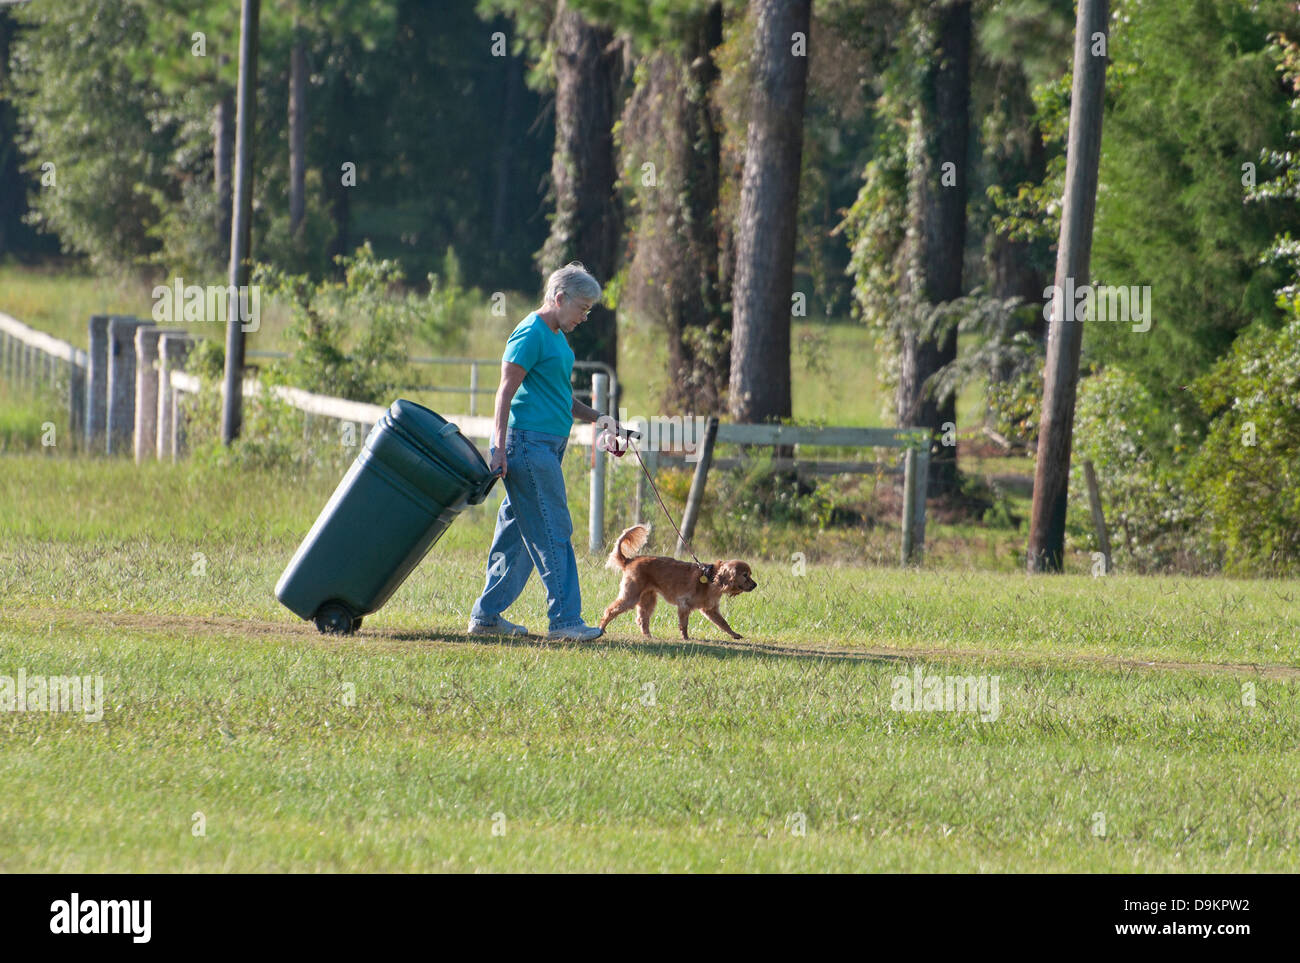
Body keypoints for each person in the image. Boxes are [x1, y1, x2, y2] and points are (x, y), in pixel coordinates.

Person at [467, 262, 610, 641]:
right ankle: (565, 621)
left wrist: (602, 420)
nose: (584, 316)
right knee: (554, 530)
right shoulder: (530, 333)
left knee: (515, 537)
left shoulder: (557, 338)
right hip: (527, 447)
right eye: (581, 307)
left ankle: (486, 618)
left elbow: (562, 399)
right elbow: (504, 392)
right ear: (559, 297)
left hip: (546, 446)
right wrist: (498, 447)